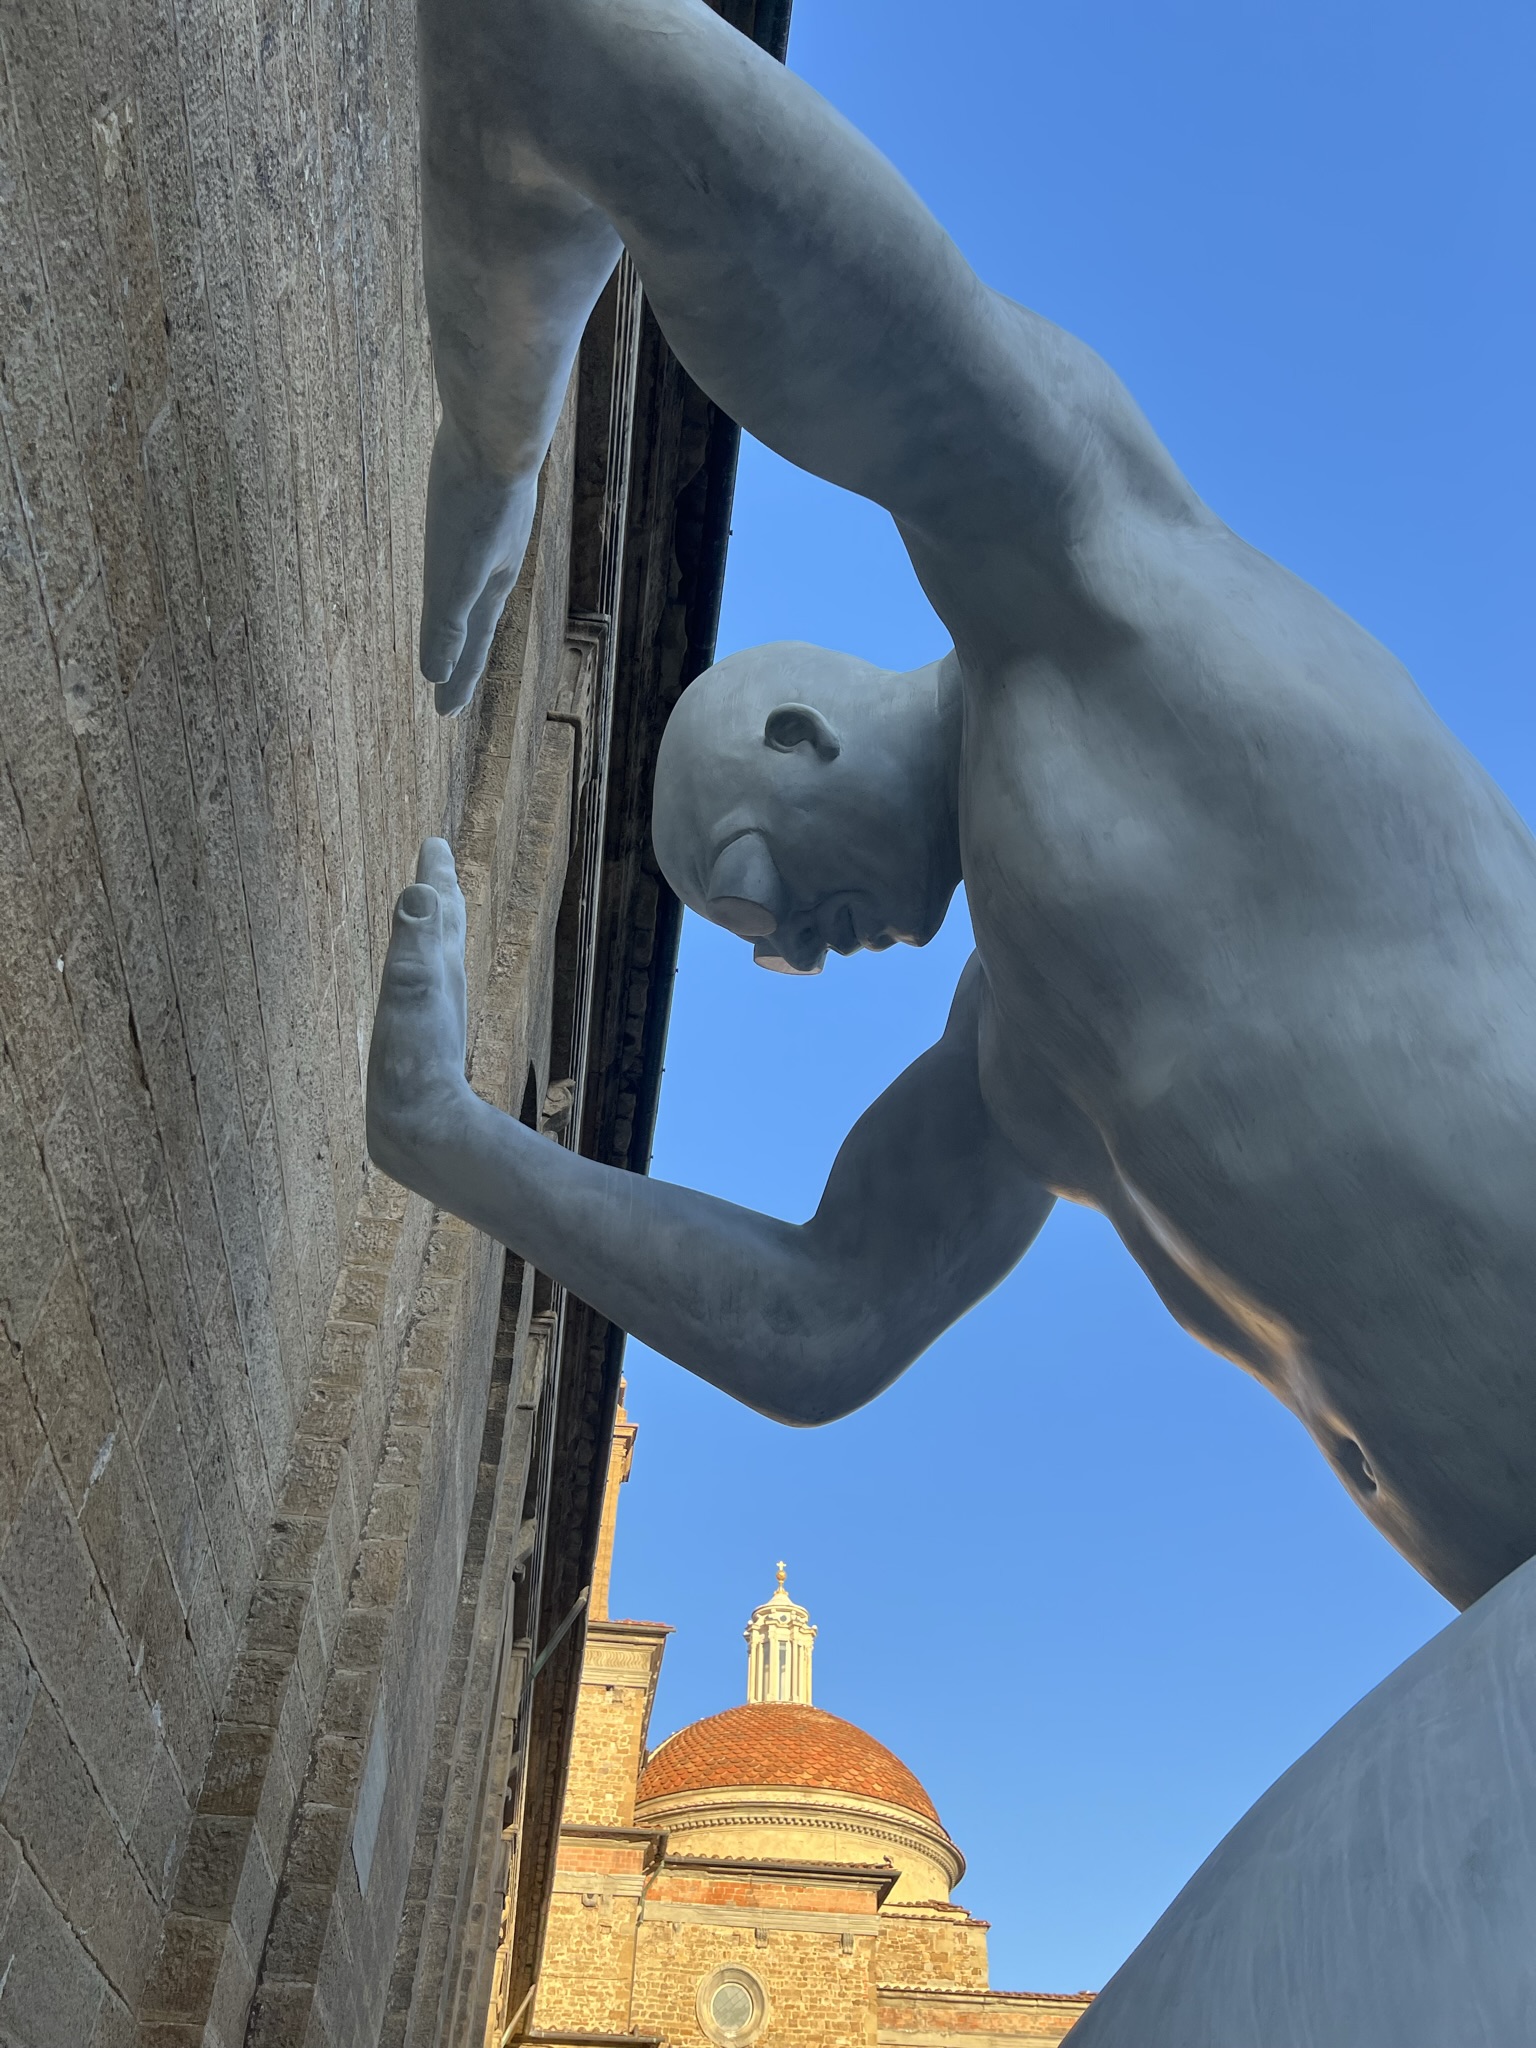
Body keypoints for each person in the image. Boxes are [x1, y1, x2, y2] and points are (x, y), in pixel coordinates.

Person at [371, 0, 1536, 1625]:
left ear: (798, 735)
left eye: (757, 882)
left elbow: (554, 44)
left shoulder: (1091, 593)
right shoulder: (1019, 1070)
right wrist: (450, 1139)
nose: (795, 951)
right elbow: (824, 1321)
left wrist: (496, 430)